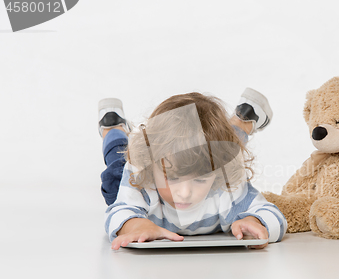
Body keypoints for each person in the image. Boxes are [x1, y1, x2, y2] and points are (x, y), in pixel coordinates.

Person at [98, 90, 286, 250]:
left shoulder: (226, 185)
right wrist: (135, 225)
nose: (185, 192)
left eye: (200, 179)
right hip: (141, 165)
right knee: (118, 162)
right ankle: (113, 126)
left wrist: (256, 221)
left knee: (229, 145)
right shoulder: (142, 175)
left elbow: (274, 215)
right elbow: (118, 213)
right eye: (172, 178)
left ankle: (243, 119)